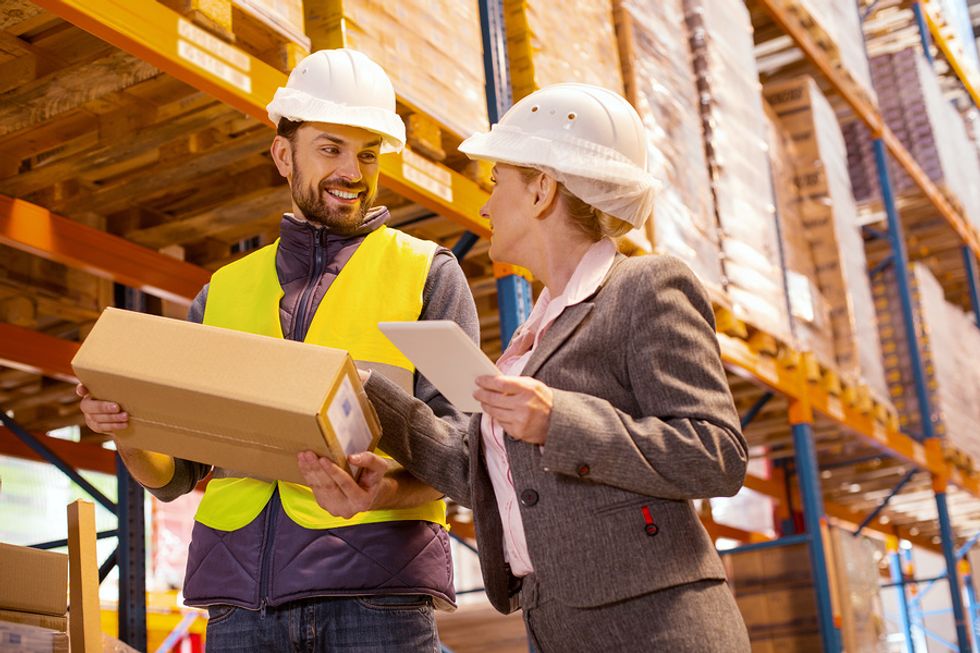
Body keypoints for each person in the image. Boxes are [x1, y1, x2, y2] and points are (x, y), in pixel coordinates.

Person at [321, 83, 752, 651]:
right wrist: (371, 393)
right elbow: (497, 479)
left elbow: (716, 455)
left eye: (497, 183)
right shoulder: (533, 332)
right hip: (557, 623)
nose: (484, 204)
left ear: (542, 190)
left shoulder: (645, 287)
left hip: (656, 625)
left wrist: (560, 421)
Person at [76, 48, 479, 653]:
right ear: (283, 154)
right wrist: (129, 429)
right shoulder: (223, 292)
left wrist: (386, 490)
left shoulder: (428, 273)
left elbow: (470, 452)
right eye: (330, 148)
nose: (352, 170)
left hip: (374, 597)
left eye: (368, 153)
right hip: (240, 608)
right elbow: (175, 476)